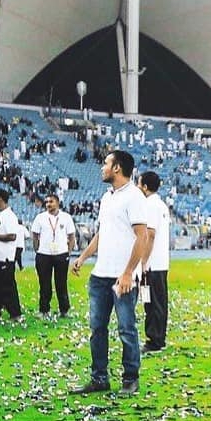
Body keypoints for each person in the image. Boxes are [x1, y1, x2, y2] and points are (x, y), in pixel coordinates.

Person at [70, 151, 147, 396]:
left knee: (126, 329)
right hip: (100, 275)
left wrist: (128, 273)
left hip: (121, 277)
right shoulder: (107, 196)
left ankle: (130, 379)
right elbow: (102, 233)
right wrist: (83, 257)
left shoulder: (134, 196)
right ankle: (99, 378)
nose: (102, 167)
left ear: (117, 168)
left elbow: (142, 236)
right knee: (97, 329)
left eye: (106, 163)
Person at [137, 171, 171, 353]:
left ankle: (154, 340)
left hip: (152, 263)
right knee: (156, 300)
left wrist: (143, 261)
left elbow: (149, 235)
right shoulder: (161, 205)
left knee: (152, 302)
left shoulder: (149, 205)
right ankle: (158, 337)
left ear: (145, 187)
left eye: (139, 183)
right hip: (160, 262)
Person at [31, 194, 76, 318]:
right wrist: (37, 249)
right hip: (44, 255)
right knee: (44, 284)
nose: (48, 204)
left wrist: (68, 252)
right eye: (46, 202)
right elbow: (35, 235)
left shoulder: (66, 217)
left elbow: (72, 236)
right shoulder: (40, 218)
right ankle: (44, 310)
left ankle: (64, 310)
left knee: (61, 283)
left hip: (61, 254)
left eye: (51, 201)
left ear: (57, 203)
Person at [0, 189, 22, 321]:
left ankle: (15, 314)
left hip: (5, 258)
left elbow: (12, 236)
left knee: (8, 288)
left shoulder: (9, 216)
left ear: (0, 199)